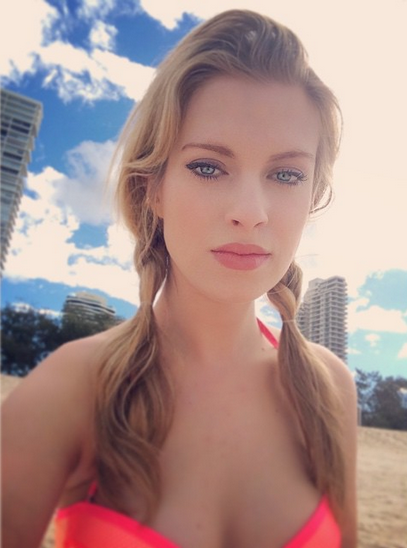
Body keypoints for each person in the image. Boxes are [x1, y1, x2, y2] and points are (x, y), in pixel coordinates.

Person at [2, 9, 358, 548]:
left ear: (312, 196)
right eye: (208, 167)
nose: (250, 212)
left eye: (286, 174)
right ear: (154, 188)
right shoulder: (73, 389)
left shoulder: (331, 389)